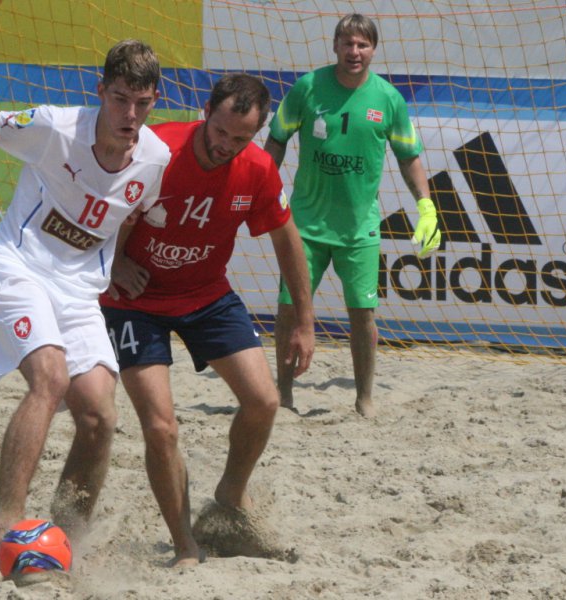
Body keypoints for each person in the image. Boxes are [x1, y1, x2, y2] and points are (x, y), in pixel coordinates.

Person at [0, 39, 172, 560]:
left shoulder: (155, 156)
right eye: (121, 99)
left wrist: (120, 261)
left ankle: (63, 540)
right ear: (101, 91)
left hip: (80, 291)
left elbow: (131, 213)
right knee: (52, 380)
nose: (130, 115)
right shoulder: (54, 127)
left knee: (101, 418)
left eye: (143, 103)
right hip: (20, 267)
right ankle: (5, 527)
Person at [99, 73, 315, 567]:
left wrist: (304, 321)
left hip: (206, 295)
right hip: (134, 301)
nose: (226, 145)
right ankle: (185, 546)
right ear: (206, 112)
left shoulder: (257, 168)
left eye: (241, 138)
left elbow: (287, 240)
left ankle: (230, 495)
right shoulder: (156, 151)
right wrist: (113, 265)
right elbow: (98, 213)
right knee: (162, 428)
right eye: (220, 132)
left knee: (264, 401)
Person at [264, 13, 441, 418]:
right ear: (335, 47)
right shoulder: (308, 87)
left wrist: (426, 206)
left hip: (360, 229)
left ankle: (364, 399)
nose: (354, 51)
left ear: (373, 50)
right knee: (289, 309)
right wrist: (256, 189)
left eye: (362, 44)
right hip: (304, 226)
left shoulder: (388, 99)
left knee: (362, 315)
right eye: (347, 43)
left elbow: (409, 157)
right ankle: (285, 395)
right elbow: (276, 140)